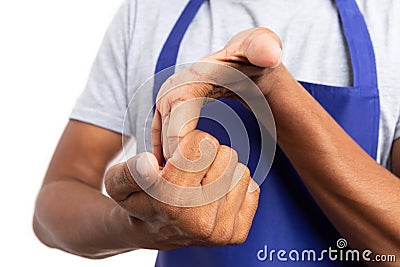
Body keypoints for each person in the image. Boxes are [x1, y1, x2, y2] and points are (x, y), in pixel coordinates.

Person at [33, 0, 400, 266]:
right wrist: (137, 226)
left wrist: (270, 90)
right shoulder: (147, 13)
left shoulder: (390, 21)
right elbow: (54, 202)